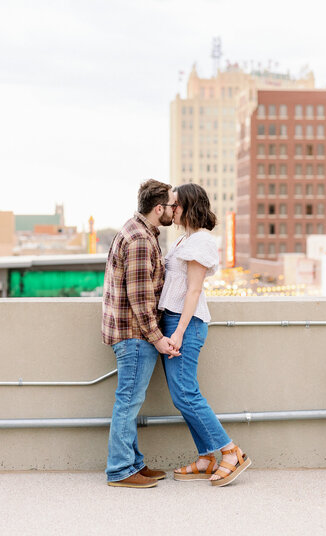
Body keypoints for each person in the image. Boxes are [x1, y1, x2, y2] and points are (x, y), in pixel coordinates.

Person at [159, 183, 251, 487]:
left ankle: (230, 452)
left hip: (185, 323)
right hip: (174, 321)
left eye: (175, 204)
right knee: (181, 395)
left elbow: (194, 290)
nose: (171, 209)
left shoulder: (200, 242)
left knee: (186, 394)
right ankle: (207, 457)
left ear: (188, 206)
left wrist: (180, 332)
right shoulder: (184, 240)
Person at [102, 179, 181, 489]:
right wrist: (157, 338)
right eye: (173, 205)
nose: (176, 210)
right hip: (135, 336)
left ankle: (133, 462)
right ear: (158, 208)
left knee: (131, 401)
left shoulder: (141, 232)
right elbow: (140, 299)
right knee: (128, 402)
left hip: (133, 334)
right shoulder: (139, 240)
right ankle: (120, 470)